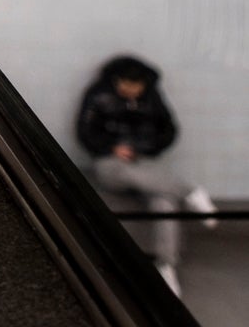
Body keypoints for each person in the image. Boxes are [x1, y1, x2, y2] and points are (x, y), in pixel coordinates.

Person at [77, 55, 215, 293]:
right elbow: (85, 132)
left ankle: (166, 265)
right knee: (125, 173)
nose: (130, 91)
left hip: (143, 160)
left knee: (164, 201)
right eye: (125, 85)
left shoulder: (152, 96)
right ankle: (189, 192)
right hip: (110, 161)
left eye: (135, 87)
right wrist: (112, 147)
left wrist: (143, 148)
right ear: (116, 80)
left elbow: (168, 131)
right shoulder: (98, 95)